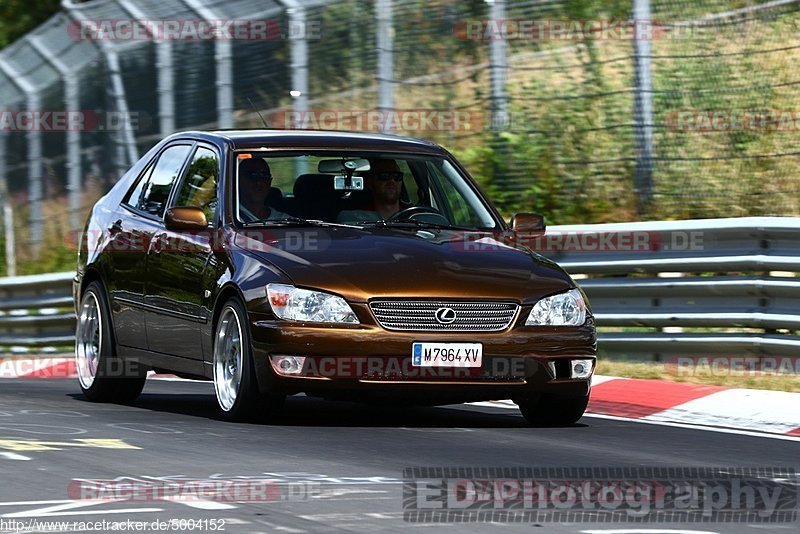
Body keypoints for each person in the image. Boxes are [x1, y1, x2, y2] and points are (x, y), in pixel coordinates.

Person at [337, 159, 410, 223]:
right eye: (384, 176)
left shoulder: (414, 217)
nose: (391, 181)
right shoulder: (354, 219)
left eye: (397, 176)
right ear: (370, 183)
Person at [238, 157, 289, 222]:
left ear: (270, 182)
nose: (258, 182)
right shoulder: (227, 218)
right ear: (238, 180)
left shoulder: (285, 221)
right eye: (252, 175)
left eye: (264, 176)